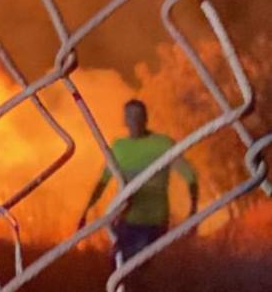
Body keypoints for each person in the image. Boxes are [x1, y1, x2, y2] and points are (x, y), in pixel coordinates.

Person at [79, 99, 198, 262]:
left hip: (154, 221)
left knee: (140, 267)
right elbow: (103, 181)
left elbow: (190, 176)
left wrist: (193, 211)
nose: (135, 121)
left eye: (138, 116)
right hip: (126, 220)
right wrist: (86, 211)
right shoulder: (119, 147)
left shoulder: (163, 144)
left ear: (146, 119)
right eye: (130, 116)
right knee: (118, 265)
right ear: (125, 121)